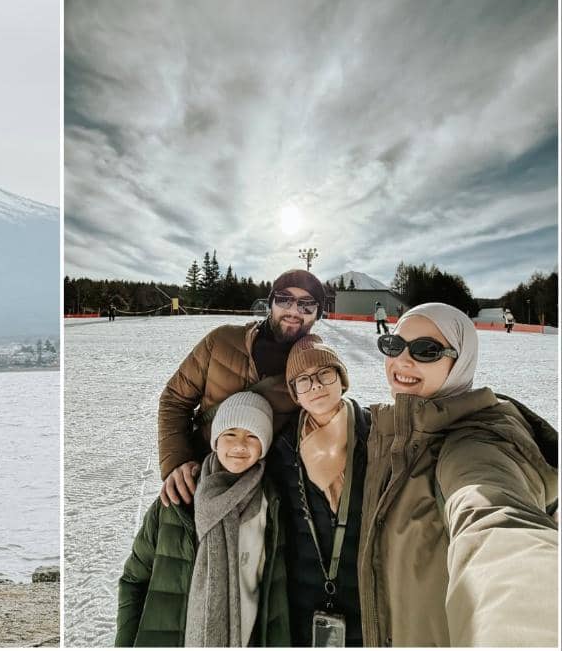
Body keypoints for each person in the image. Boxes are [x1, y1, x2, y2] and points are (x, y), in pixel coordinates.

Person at [360, 303, 557, 646]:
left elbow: (493, 518)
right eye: (394, 345)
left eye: (426, 350)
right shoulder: (398, 434)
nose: (403, 361)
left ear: (460, 361)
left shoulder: (475, 443)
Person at [114, 392, 289, 647]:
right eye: (230, 434)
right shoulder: (176, 501)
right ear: (216, 440)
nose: (240, 445)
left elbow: (277, 600)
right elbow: (133, 579)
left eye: (253, 436)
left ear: (264, 445)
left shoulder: (271, 506)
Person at [157, 269, 326, 507]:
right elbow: (175, 399)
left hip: (265, 498)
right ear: (271, 303)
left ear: (318, 314)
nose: (294, 311)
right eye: (284, 299)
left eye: (307, 305)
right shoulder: (221, 340)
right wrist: (177, 461)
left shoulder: (316, 367)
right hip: (198, 479)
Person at [266, 336, 370, 646]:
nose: (316, 386)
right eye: (303, 380)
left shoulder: (376, 433)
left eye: (325, 373)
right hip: (304, 601)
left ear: (342, 379)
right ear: (294, 394)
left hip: (368, 598)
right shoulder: (283, 447)